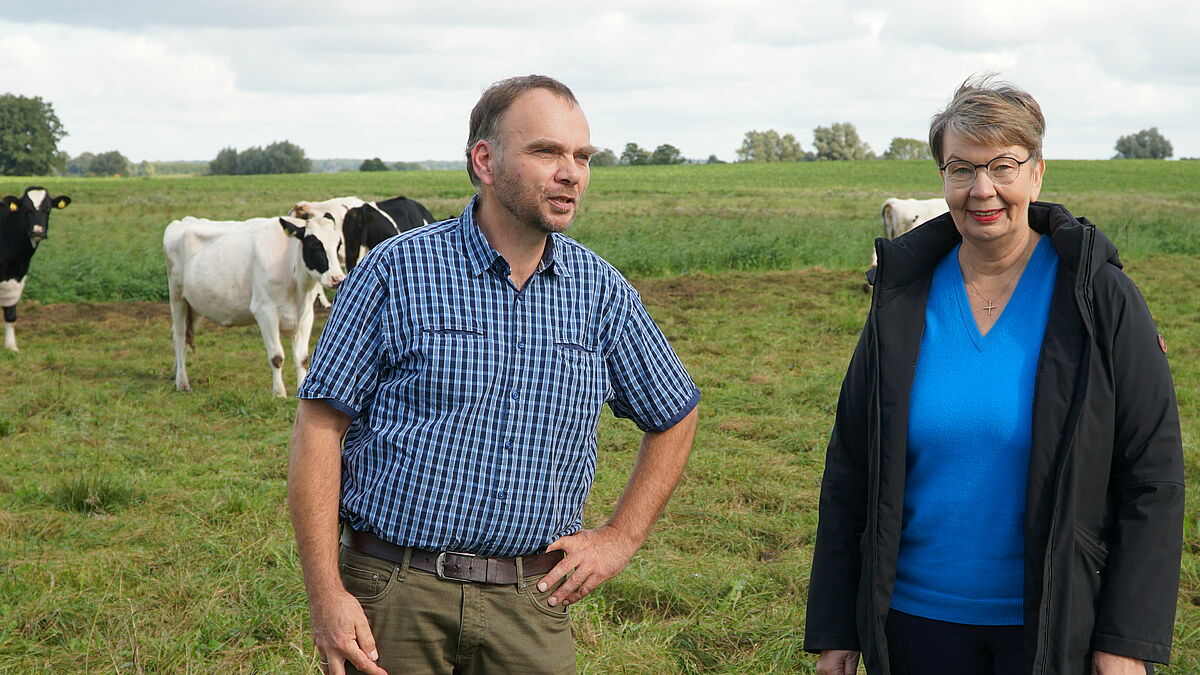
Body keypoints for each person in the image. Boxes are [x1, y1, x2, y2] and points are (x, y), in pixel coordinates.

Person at [287, 74, 700, 675]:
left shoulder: (599, 292)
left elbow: (675, 411)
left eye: (582, 156)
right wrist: (327, 595)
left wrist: (620, 538)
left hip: (530, 605)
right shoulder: (396, 272)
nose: (572, 172)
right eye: (547, 151)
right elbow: (319, 429)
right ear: (485, 160)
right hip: (395, 595)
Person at [804, 75, 1184, 675]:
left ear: (1037, 173)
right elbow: (850, 467)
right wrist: (836, 630)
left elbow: (1151, 477)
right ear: (943, 179)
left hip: (1053, 625)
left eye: (1003, 166)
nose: (983, 190)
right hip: (912, 623)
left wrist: (1125, 642)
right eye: (961, 168)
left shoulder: (1099, 298)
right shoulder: (901, 300)